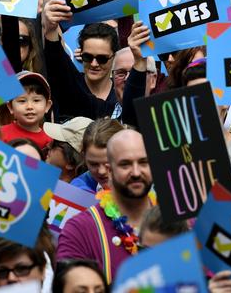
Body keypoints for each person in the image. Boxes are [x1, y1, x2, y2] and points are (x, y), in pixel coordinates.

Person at [57, 129, 154, 282]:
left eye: (143, 162)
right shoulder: (79, 229)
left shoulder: (179, 220)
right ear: (110, 169)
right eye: (125, 164)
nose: (136, 172)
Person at [42, 9, 120, 119]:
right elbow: (55, 57)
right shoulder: (70, 83)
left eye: (102, 58)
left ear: (114, 57)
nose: (94, 64)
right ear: (80, 53)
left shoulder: (121, 93)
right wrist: (51, 27)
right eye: (87, 57)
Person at [0, 71, 53, 149]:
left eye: (36, 100)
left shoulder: (50, 143)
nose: (29, 107)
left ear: (47, 106)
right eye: (22, 101)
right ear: (10, 107)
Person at [71, 119, 124, 193]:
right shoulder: (77, 190)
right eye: (93, 164)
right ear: (84, 157)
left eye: (109, 163)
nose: (101, 171)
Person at [44, 117, 91, 182]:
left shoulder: (66, 191)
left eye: (55, 143)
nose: (48, 145)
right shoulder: (39, 170)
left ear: (71, 163)